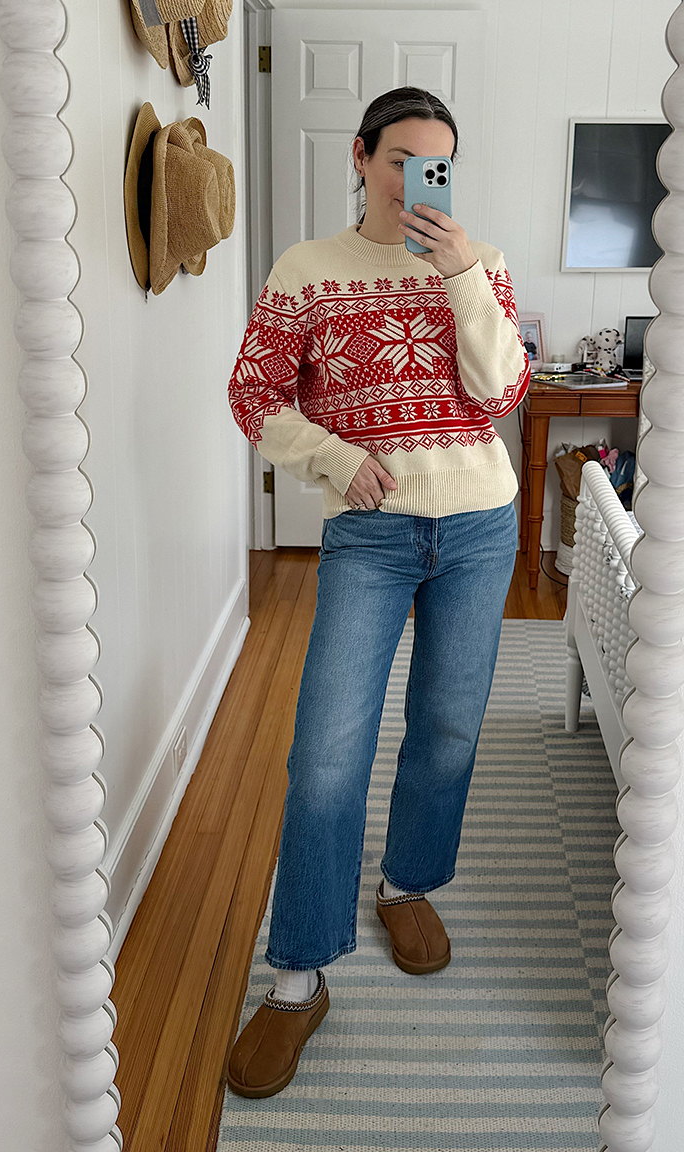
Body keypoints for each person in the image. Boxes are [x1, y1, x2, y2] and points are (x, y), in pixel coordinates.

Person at [225, 86, 530, 1099]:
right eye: (399, 159)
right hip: (370, 534)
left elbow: (500, 395)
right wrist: (326, 455)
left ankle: (407, 885)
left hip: (481, 524)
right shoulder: (306, 272)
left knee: (447, 726)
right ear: (360, 157)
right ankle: (298, 977)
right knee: (325, 751)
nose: (414, 183)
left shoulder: (476, 264)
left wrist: (461, 284)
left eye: (436, 164)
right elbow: (254, 393)